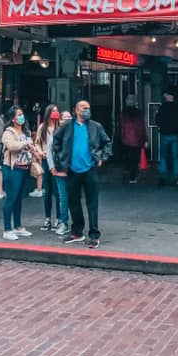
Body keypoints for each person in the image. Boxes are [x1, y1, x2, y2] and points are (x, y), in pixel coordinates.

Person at [52, 99, 112, 249]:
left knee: (92, 203)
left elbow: (107, 142)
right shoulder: (67, 126)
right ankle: (77, 231)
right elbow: (56, 141)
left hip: (89, 170)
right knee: (74, 202)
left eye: (88, 108)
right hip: (72, 170)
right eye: (84, 108)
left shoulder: (95, 127)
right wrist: (60, 160)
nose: (87, 110)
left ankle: (94, 234)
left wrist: (101, 158)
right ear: (76, 110)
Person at [0, 106, 37, 240]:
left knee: (19, 198)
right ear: (13, 119)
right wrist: (25, 143)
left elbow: (31, 145)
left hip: (24, 168)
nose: (21, 117)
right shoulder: (8, 132)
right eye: (19, 115)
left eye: (22, 114)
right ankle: (7, 229)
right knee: (11, 198)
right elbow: (12, 146)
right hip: (12, 169)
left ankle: (18, 226)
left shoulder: (25, 132)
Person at [35, 104, 62, 230]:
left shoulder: (60, 126)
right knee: (48, 190)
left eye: (57, 111)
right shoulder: (43, 128)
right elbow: (37, 143)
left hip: (57, 161)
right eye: (53, 111)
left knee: (58, 191)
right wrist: (41, 153)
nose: (56, 113)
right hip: (46, 160)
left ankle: (58, 218)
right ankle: (47, 218)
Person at [155, 90, 178, 186]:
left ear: (167, 97)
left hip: (164, 134)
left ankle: (163, 177)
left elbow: (157, 120)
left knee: (163, 157)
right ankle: (176, 178)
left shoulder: (162, 108)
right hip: (175, 134)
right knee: (175, 157)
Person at [118, 94, 146, 183]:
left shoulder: (123, 113)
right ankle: (133, 177)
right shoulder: (139, 113)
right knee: (135, 159)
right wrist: (144, 138)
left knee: (126, 157)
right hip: (137, 140)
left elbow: (121, 127)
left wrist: (121, 137)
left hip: (125, 139)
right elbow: (142, 127)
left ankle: (126, 173)